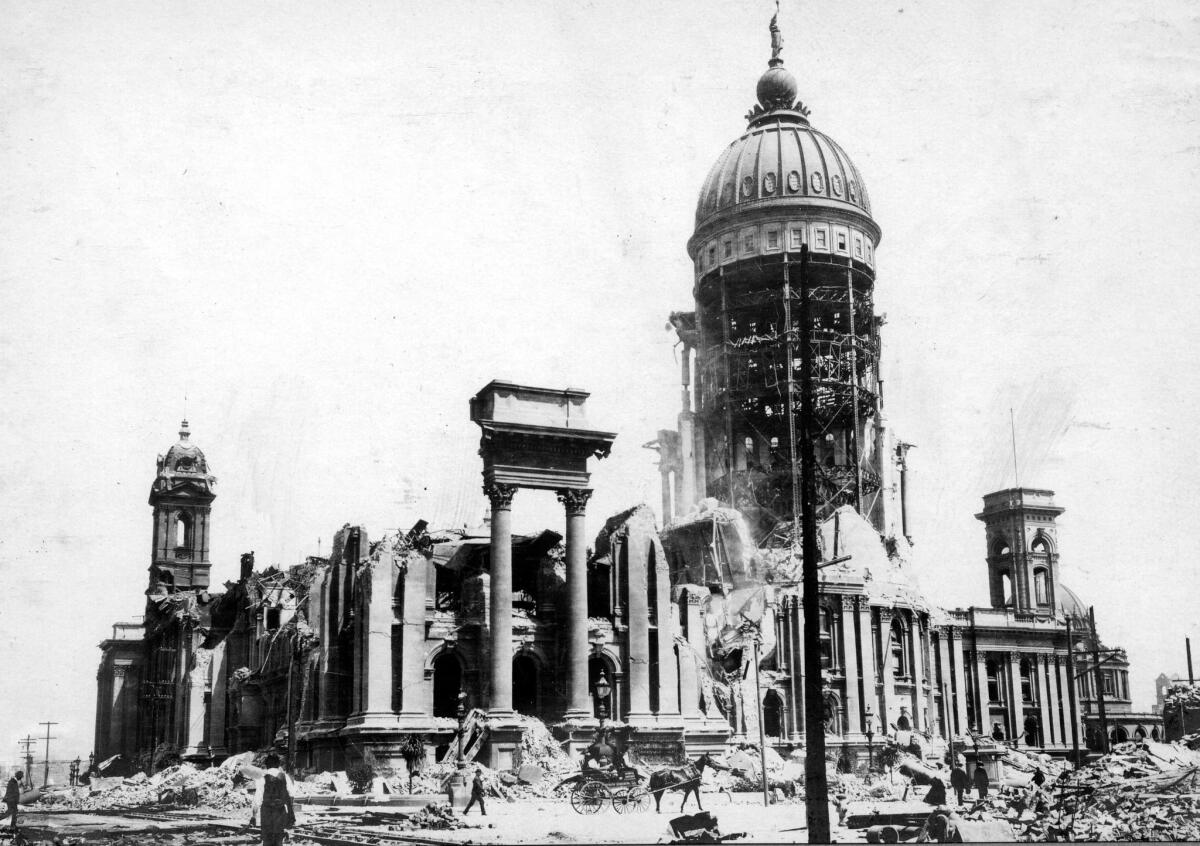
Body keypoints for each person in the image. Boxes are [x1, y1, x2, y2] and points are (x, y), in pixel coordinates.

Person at [250, 754, 294, 846]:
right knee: (279, 840)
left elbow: (257, 798)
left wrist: (254, 816)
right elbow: (291, 795)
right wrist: (290, 813)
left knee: (267, 840)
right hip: (280, 812)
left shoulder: (262, 777)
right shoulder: (285, 776)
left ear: (266, 765)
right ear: (278, 764)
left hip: (267, 812)